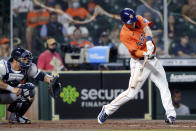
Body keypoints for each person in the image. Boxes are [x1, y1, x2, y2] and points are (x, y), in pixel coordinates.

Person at [97, 8, 176, 125]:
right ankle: (107, 109)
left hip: (153, 61)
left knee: (164, 86)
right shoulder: (124, 34)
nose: (133, 23)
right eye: (130, 22)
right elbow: (134, 52)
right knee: (131, 93)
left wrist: (149, 41)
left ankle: (170, 114)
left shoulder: (138, 18)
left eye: (133, 20)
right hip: (139, 63)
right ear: (123, 22)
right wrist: (144, 53)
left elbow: (147, 28)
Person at [0, 47, 61, 124]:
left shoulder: (27, 68)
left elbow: (41, 75)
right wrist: (12, 89)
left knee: (29, 88)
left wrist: (51, 81)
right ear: (15, 60)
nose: (27, 61)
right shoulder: (2, 65)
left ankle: (16, 116)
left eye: (27, 59)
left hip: (7, 96)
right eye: (24, 59)